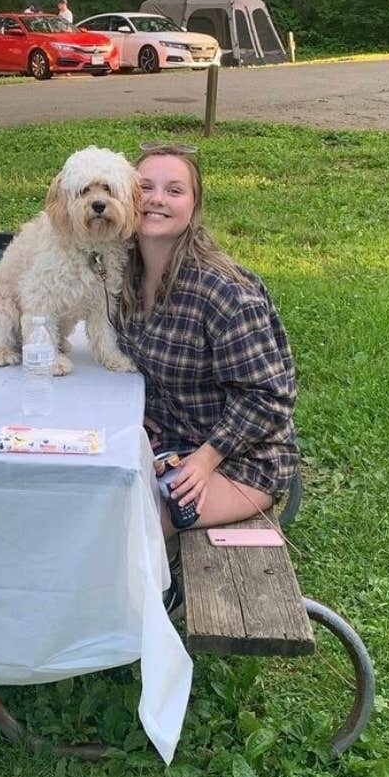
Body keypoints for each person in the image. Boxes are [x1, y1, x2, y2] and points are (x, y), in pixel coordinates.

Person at [114, 144, 299, 540]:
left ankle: (152, 600)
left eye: (174, 190)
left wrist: (205, 459)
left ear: (194, 207)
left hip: (241, 459)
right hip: (174, 440)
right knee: (91, 497)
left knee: (130, 529)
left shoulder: (224, 292)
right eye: (144, 187)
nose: (156, 199)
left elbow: (269, 396)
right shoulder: (121, 273)